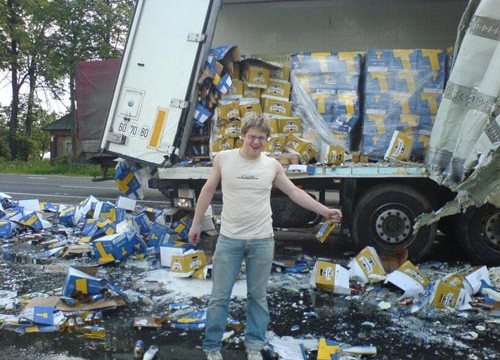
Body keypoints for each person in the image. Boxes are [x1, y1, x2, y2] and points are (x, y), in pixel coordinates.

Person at [188, 114, 342, 360]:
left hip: (262, 240)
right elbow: (207, 191)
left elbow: (293, 192)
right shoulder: (223, 159)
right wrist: (196, 224)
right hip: (229, 240)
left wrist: (324, 211)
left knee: (257, 297)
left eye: (261, 138)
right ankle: (212, 346)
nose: (256, 142)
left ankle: (254, 346)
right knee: (219, 297)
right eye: (252, 137)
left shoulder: (271, 165)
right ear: (243, 136)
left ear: (267, 140)